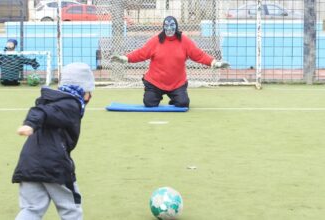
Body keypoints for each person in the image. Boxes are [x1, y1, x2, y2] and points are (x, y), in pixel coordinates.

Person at [12, 62, 95, 220]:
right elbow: (41, 112)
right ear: (83, 90)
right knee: (71, 208)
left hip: (29, 163)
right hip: (54, 165)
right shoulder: (70, 104)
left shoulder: (54, 100)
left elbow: (44, 111)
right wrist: (29, 124)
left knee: (31, 208)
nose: (90, 96)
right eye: (90, 91)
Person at [111, 16, 229, 108]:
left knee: (183, 103)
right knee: (149, 103)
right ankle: (154, 95)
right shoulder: (155, 41)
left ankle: (175, 97)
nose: (169, 28)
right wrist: (125, 58)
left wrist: (214, 63)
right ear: (163, 27)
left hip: (177, 84)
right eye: (166, 26)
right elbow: (142, 53)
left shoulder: (185, 41)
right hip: (155, 83)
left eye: (172, 25)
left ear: (176, 26)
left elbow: (199, 55)